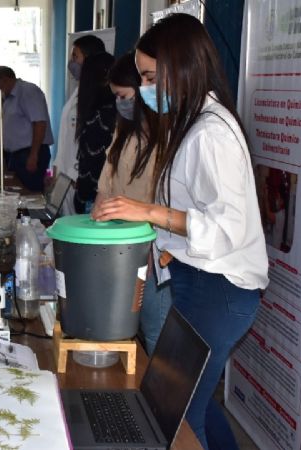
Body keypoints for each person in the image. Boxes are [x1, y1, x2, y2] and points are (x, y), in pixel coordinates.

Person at [92, 14, 269, 450]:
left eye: (151, 76)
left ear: (181, 67)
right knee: (189, 403)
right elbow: (194, 212)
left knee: (180, 414)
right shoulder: (190, 125)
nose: (146, 88)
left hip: (220, 289)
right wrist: (168, 245)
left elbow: (228, 227)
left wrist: (150, 212)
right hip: (196, 280)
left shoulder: (211, 133)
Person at [89, 52, 168, 355]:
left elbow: (166, 205)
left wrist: (150, 254)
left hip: (153, 255)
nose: (120, 103)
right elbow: (106, 183)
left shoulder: (168, 138)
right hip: (119, 251)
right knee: (124, 332)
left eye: (123, 95)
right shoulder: (126, 129)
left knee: (155, 333)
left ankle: (157, 402)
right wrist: (96, 223)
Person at [54, 35, 106, 214]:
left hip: (78, 179)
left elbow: (91, 143)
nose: (71, 62)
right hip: (66, 177)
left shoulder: (97, 96)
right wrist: (57, 168)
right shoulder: (78, 90)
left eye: (75, 56)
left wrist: (79, 176)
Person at [0, 66, 53, 192]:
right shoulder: (8, 99)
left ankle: (35, 213)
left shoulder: (28, 91)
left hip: (30, 153)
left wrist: (34, 155)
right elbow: (1, 131)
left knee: (31, 195)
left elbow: (39, 123)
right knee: (19, 194)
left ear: (5, 80)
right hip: (16, 156)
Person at [73, 51, 116, 213]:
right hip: (97, 197)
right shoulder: (104, 112)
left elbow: (94, 164)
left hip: (96, 201)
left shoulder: (101, 117)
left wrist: (81, 197)